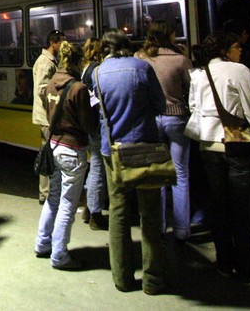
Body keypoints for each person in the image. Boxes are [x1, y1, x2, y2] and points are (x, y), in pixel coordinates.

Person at [185, 31, 250, 282]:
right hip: (236, 145)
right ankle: (246, 268)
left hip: (208, 145)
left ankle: (224, 261)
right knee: (241, 211)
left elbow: (194, 108)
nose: (240, 50)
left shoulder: (198, 74)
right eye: (235, 46)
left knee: (220, 207)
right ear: (225, 50)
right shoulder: (239, 70)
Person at [95, 30, 167, 295]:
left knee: (118, 212)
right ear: (128, 46)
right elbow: (160, 105)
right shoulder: (142, 68)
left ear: (107, 49)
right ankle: (153, 280)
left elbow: (99, 110)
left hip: (112, 149)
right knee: (149, 214)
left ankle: (123, 279)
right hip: (144, 147)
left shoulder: (98, 73)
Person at [34, 41, 99, 270]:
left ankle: (42, 244)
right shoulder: (79, 88)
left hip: (53, 146)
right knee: (67, 205)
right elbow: (88, 124)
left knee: (53, 198)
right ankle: (59, 256)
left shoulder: (52, 83)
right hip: (72, 149)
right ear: (79, 61)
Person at [135, 20, 193, 242]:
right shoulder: (180, 59)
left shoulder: (141, 58)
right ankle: (182, 229)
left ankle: (157, 226)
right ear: (170, 35)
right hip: (176, 118)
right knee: (180, 174)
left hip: (152, 119)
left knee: (157, 174)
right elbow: (191, 87)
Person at [32, 30, 66, 204]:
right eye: (62, 42)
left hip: (47, 115)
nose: (63, 46)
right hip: (47, 116)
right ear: (53, 42)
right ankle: (45, 194)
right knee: (48, 155)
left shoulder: (49, 60)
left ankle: (46, 193)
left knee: (48, 153)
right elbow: (41, 88)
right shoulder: (46, 62)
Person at [80, 37, 107, 230]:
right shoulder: (96, 68)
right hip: (96, 123)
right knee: (98, 167)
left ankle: (88, 207)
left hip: (87, 123)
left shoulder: (85, 67)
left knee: (93, 166)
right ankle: (95, 214)